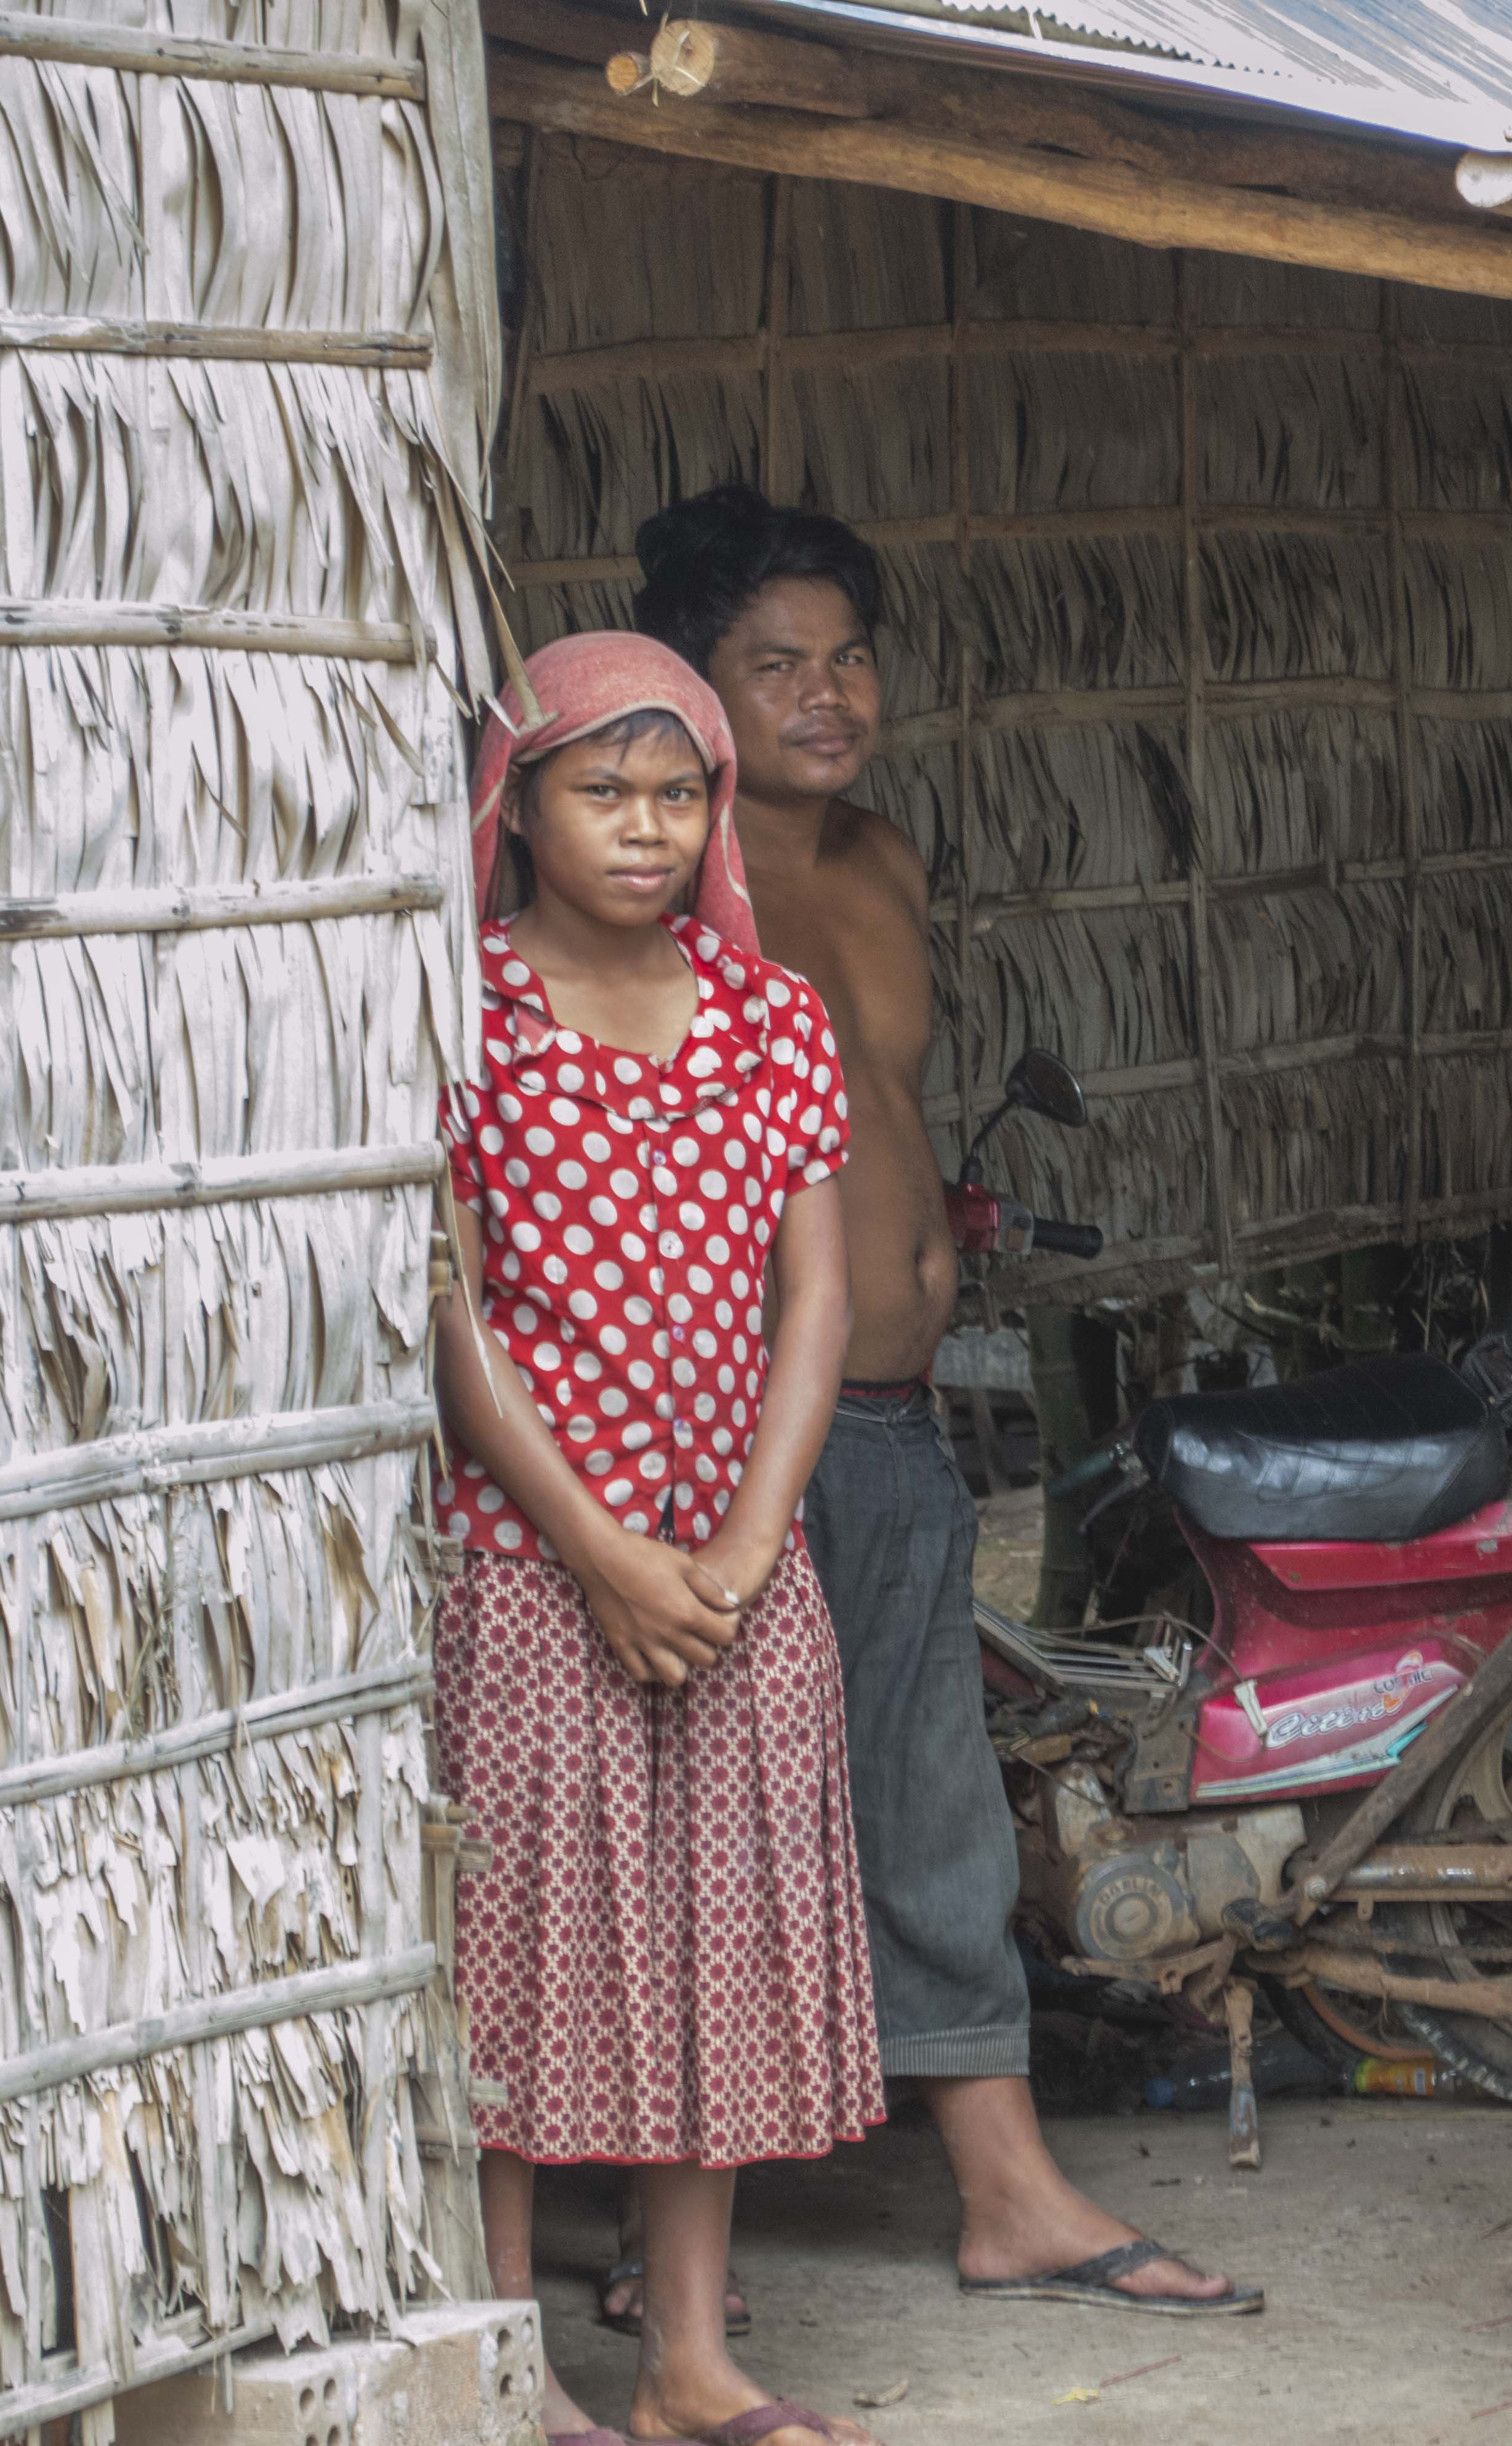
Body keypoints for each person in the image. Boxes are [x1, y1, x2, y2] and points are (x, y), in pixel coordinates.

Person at [618, 486, 1258, 2318]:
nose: (828, 694)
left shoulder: (884, 862)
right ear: (693, 684)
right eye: (775, 665)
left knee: (927, 1799)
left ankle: (1005, 2192)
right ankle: (669, 2256)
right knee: (709, 1817)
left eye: (849, 658)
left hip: (890, 1416)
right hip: (713, 1426)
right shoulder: (651, 871)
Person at [434, 633, 880, 2446]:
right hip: (533, 1564)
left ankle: (688, 2360)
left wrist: (749, 1541)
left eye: (676, 793)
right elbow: (451, 1319)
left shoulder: (773, 1018)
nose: (643, 828)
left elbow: (821, 1302)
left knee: (715, 1947)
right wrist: (605, 1555)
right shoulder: (462, 1013)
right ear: (518, 807)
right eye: (600, 791)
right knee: (519, 1959)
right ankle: (510, 2366)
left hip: (738, 1571)